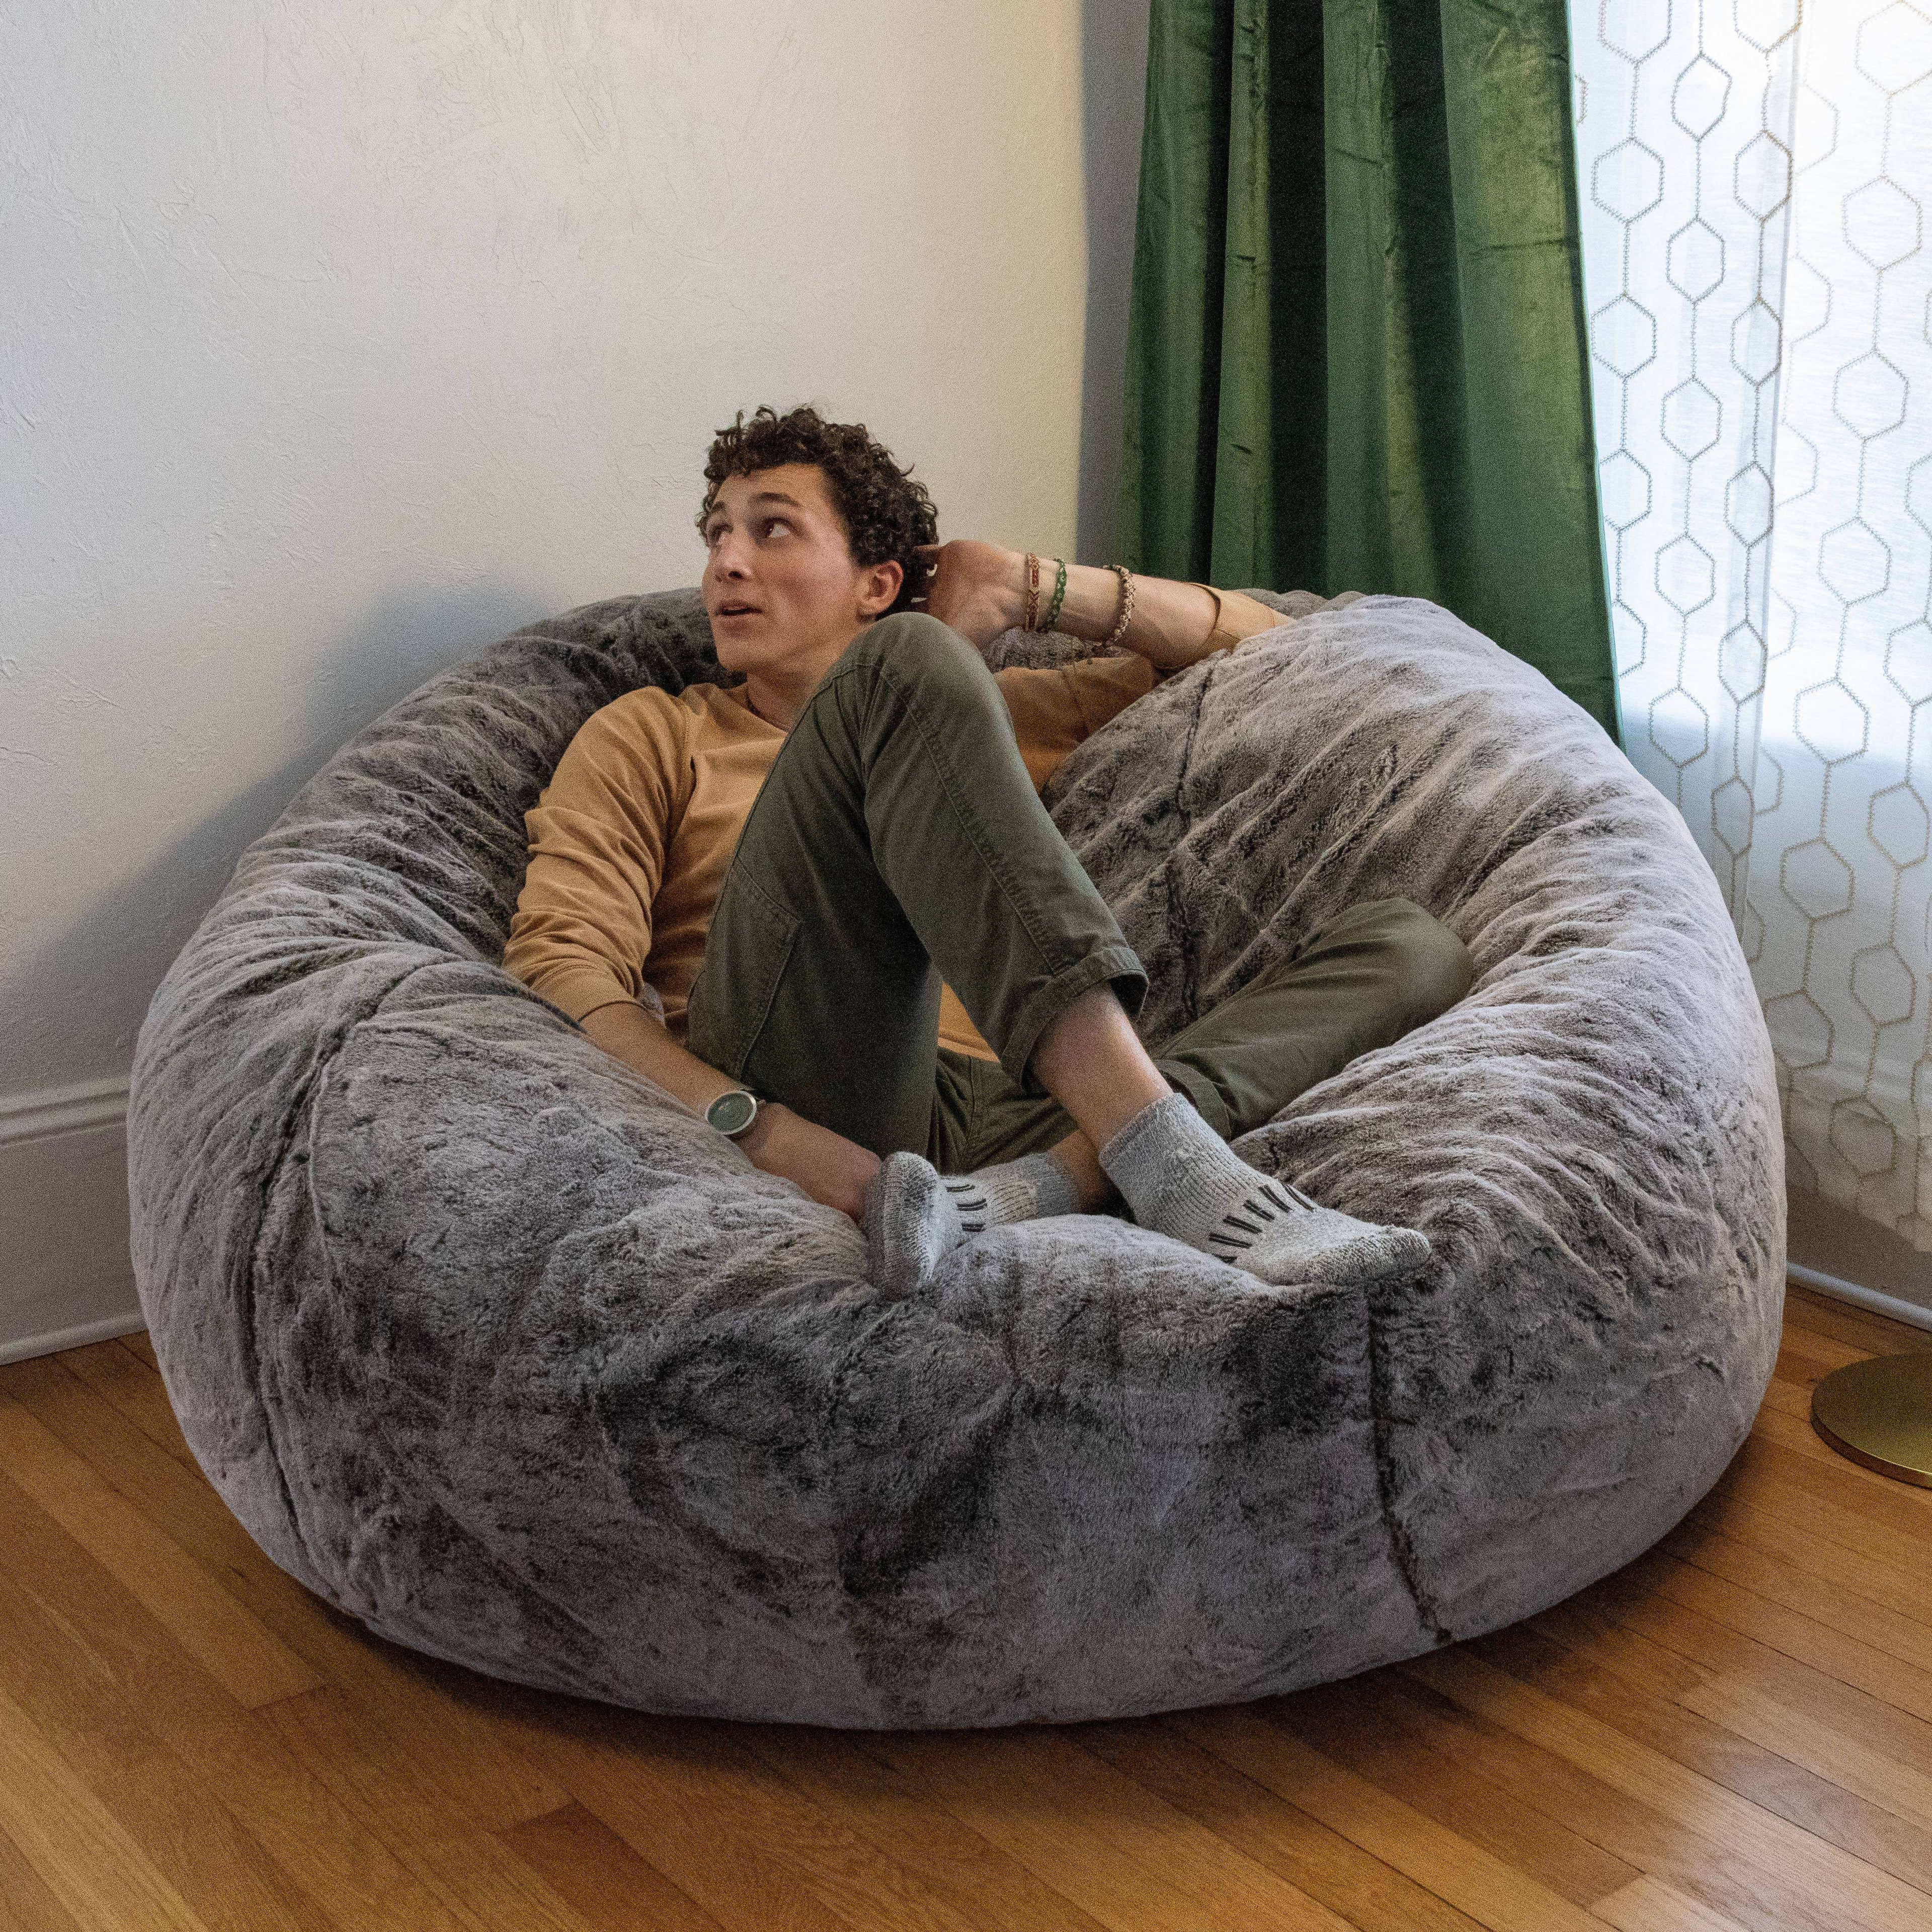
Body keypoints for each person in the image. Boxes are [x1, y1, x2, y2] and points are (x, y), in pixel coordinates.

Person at [503, 406, 1472, 1293]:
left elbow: (1273, 645)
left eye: (772, 527)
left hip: (1000, 1102)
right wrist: (762, 1134)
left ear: (879, 583)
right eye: (717, 532)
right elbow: (561, 969)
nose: (725, 562)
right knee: (910, 663)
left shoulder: (977, 712)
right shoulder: (655, 731)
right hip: (802, 1068)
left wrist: (1027, 586)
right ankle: (1170, 1164)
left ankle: (1027, 1189)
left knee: (1416, 949)